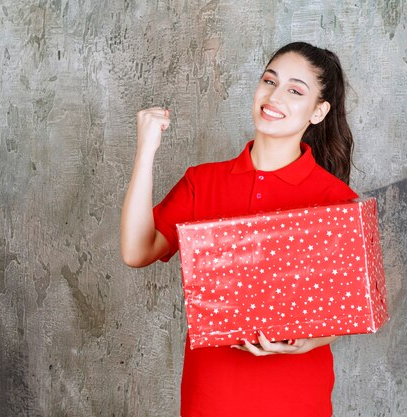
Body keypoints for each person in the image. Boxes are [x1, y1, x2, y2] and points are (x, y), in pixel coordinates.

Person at [121, 42, 359, 417]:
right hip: (211, 396)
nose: (274, 96)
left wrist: (306, 341)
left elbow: (348, 311)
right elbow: (137, 250)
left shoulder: (336, 200)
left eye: (295, 90)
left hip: (296, 398)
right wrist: (146, 150)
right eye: (269, 81)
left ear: (318, 111)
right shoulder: (203, 182)